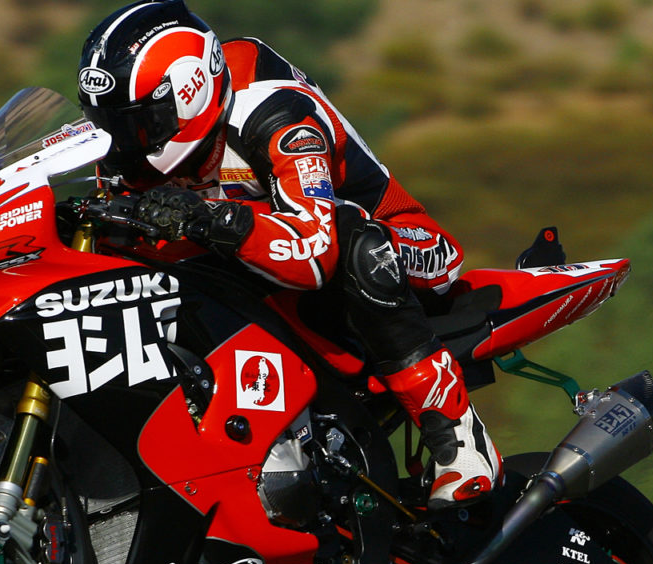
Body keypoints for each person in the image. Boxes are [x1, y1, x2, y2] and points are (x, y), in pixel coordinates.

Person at [77, 0, 501, 508]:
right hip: (265, 260)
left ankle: (458, 437)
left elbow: (315, 252)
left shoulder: (275, 114)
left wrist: (212, 219)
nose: (123, 142)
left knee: (356, 242)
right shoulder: (127, 154)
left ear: (188, 94)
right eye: (112, 124)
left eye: (140, 124)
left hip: (406, 246)